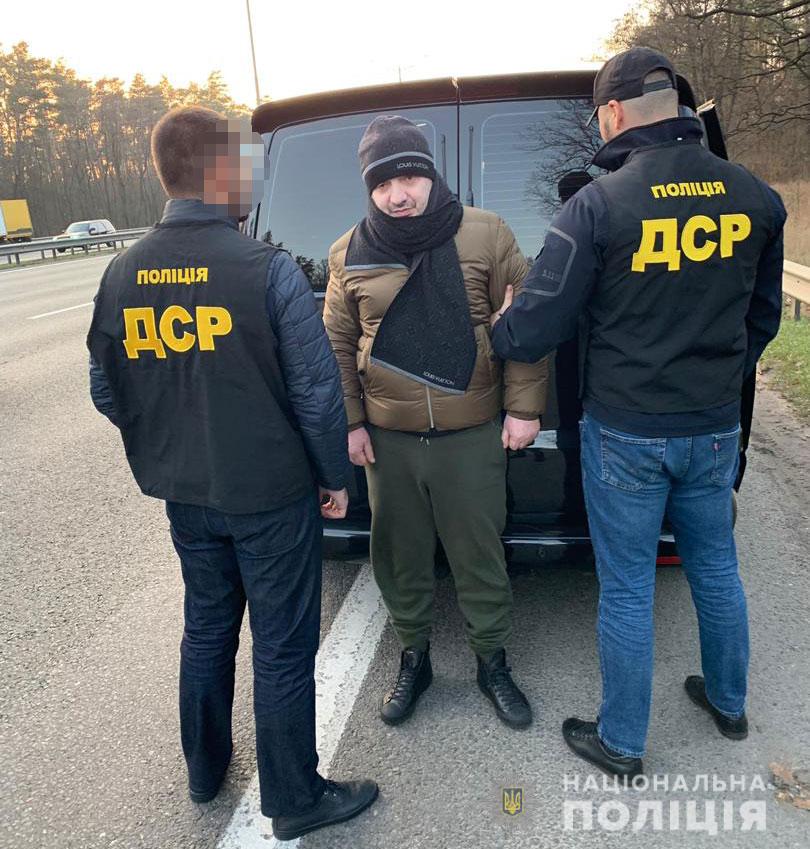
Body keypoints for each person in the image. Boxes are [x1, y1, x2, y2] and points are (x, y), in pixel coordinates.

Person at [491, 47, 786, 776]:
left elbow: (533, 329)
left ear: (615, 113)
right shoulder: (755, 197)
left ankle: (621, 741)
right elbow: (763, 320)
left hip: (627, 433)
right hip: (712, 427)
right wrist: (713, 377)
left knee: (626, 588)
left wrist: (503, 325)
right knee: (716, 567)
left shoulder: (598, 206)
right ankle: (729, 703)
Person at [86, 106, 378, 841]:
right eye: (243, 165)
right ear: (219, 172)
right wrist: (334, 476)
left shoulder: (120, 272)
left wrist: (172, 436)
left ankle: (204, 768)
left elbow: (105, 390)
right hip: (270, 493)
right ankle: (295, 796)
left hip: (187, 492)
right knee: (282, 644)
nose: (251, 179)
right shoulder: (265, 268)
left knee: (208, 627)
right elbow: (316, 393)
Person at [323, 116, 549, 730]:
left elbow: (525, 323)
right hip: (388, 439)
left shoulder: (485, 232)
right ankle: (414, 658)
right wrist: (351, 422)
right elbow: (337, 345)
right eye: (382, 185)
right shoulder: (348, 252)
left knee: (479, 556)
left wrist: (523, 408)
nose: (397, 195)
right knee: (399, 557)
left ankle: (491, 662)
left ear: (429, 173)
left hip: (470, 433)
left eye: (408, 178)